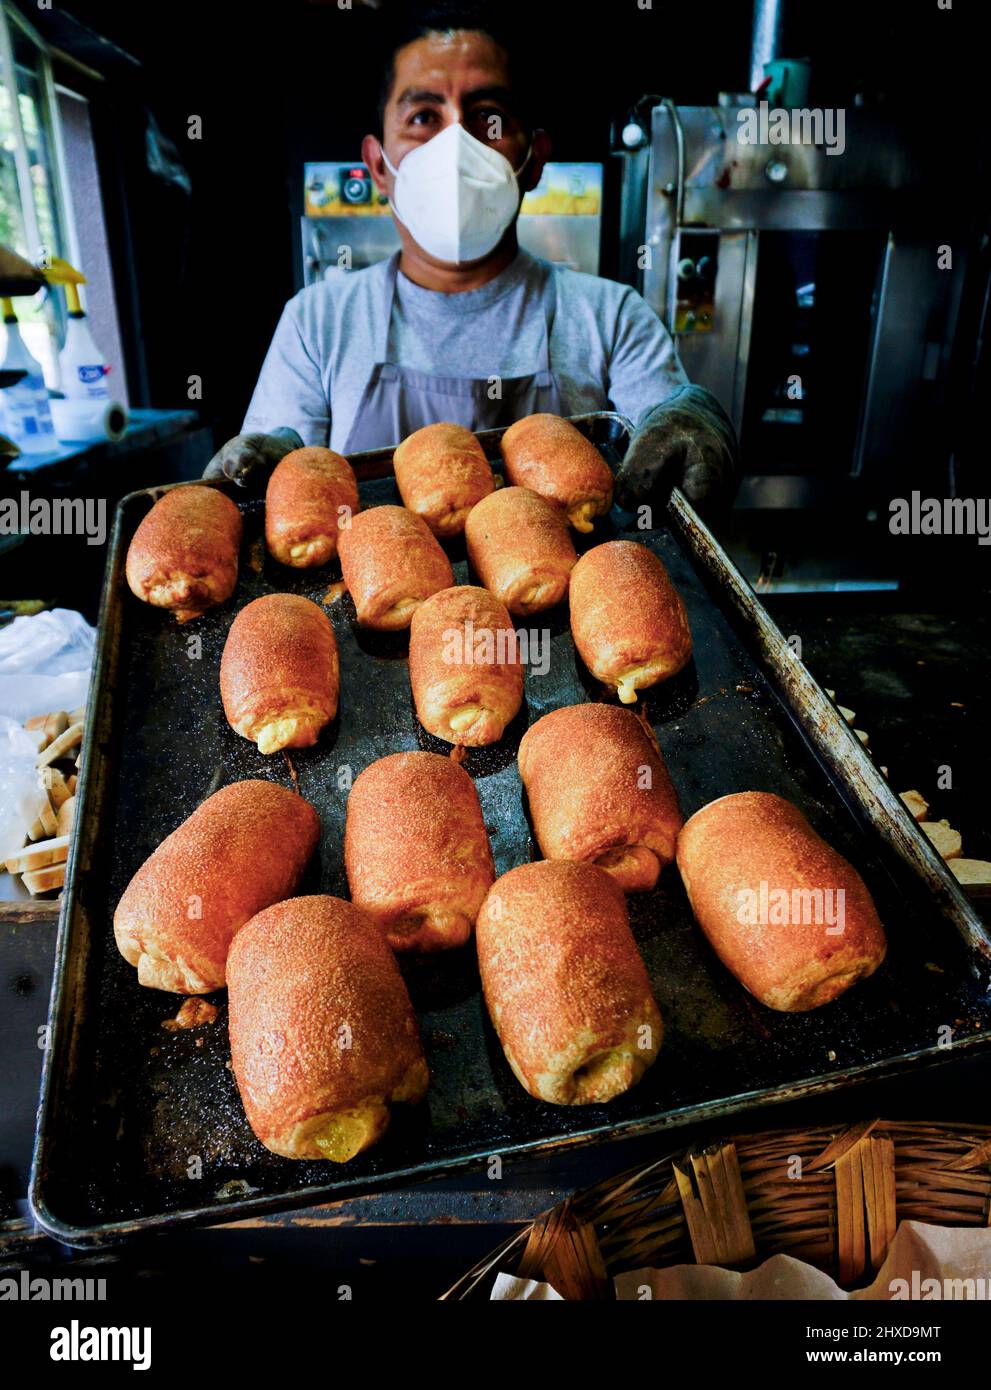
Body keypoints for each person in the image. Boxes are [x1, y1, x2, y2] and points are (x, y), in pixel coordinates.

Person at [204, 2, 737, 515]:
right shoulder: (316, 322)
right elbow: (275, 487)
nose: (455, 145)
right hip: (358, 600)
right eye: (423, 116)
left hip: (575, 602)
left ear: (533, 161)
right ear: (378, 166)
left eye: (489, 118)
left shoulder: (612, 317)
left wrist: (693, 421)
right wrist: (262, 475)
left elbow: (671, 461)